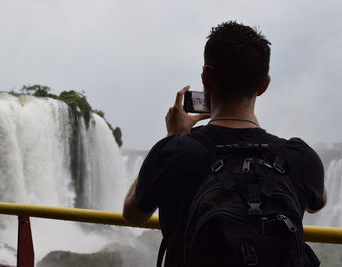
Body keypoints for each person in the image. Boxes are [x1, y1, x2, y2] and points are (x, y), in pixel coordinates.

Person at [123, 21, 326, 266]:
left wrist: (173, 136)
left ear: (205, 77)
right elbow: (316, 204)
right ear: (264, 85)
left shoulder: (173, 152)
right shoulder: (299, 156)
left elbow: (133, 215)